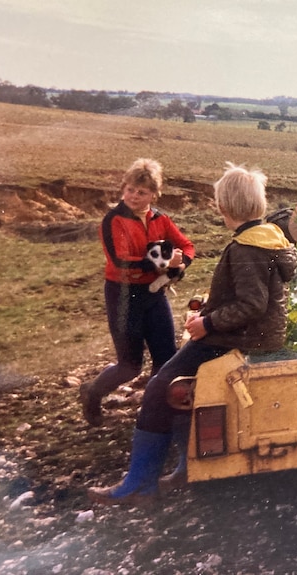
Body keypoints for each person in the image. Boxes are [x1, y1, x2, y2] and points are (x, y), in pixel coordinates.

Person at [87, 162, 297, 506]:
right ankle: (185, 468)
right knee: (180, 387)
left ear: (224, 206)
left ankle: (141, 484)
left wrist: (208, 324)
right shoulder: (267, 238)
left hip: (237, 338)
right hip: (254, 335)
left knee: (159, 389)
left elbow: (252, 304)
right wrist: (211, 310)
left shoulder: (247, 248)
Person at [80, 158, 195, 427]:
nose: (134, 196)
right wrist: (166, 263)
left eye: (141, 192)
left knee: (166, 359)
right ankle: (92, 392)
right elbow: (120, 262)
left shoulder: (160, 219)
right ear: (123, 188)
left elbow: (187, 246)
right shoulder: (113, 220)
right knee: (129, 366)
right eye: (130, 189)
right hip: (123, 296)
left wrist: (183, 263)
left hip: (153, 294)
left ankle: (155, 413)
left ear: (154, 195)